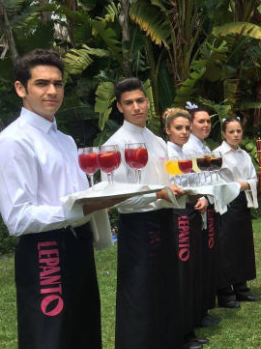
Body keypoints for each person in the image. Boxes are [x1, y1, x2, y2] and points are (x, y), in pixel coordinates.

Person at [0, 49, 116, 348]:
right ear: (21, 88)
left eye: (58, 84)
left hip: (79, 245)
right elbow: (18, 218)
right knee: (50, 337)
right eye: (42, 83)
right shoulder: (12, 143)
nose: (52, 91)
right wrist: (81, 209)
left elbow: (76, 193)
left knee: (83, 332)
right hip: (46, 251)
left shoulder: (65, 140)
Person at [103, 78, 191, 349]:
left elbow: (168, 178)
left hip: (164, 220)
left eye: (140, 100)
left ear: (148, 102)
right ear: (119, 107)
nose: (136, 107)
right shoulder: (114, 145)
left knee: (165, 288)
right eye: (129, 103)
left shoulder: (156, 141)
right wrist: (157, 194)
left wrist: (179, 188)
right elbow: (119, 199)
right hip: (138, 227)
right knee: (139, 293)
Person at [164, 108, 211, 348]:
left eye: (185, 128)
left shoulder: (183, 153)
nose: (183, 132)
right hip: (178, 215)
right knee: (182, 274)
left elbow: (194, 183)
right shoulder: (168, 155)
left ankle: (190, 326)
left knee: (192, 271)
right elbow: (175, 186)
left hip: (191, 212)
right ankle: (182, 333)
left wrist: (203, 197)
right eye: (178, 128)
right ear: (168, 130)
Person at [182, 104, 223, 328]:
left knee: (205, 260)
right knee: (196, 262)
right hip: (194, 207)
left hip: (206, 204)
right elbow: (196, 181)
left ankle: (203, 307)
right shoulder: (188, 149)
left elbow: (212, 178)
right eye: (201, 121)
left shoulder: (204, 147)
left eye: (208, 121)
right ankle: (197, 311)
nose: (206, 125)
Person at [214, 117, 261, 308]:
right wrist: (240, 184)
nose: (235, 135)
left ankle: (241, 288)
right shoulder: (217, 154)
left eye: (238, 131)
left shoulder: (244, 155)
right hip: (225, 202)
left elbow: (253, 178)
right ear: (224, 134)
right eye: (231, 131)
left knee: (242, 245)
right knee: (226, 247)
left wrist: (243, 184)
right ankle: (225, 293)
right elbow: (218, 180)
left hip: (241, 202)